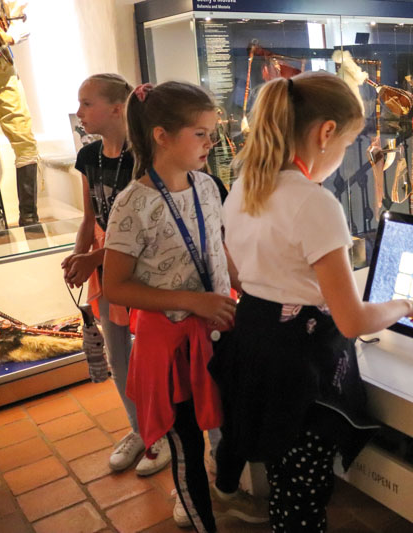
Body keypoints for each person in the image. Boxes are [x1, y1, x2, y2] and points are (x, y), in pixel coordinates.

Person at [213, 71, 413, 531]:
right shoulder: (314, 203)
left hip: (256, 348)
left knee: (283, 472)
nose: (343, 155)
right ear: (326, 132)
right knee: (305, 496)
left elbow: (241, 275)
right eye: (348, 143)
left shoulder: (243, 186)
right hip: (300, 372)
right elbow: (352, 321)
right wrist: (406, 305)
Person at [102, 81, 265, 533]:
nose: (211, 143)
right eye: (201, 134)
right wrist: (191, 300)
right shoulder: (132, 204)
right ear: (162, 136)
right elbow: (115, 286)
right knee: (187, 444)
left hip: (219, 327)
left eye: (212, 133)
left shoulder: (207, 185)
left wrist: (246, 287)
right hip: (172, 348)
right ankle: (200, 517)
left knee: (235, 421)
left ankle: (225, 490)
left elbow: (217, 247)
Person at [62, 74, 171, 477]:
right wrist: (80, 258)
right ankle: (141, 429)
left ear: (116, 108)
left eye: (86, 103)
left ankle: (166, 432)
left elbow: (148, 229)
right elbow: (90, 216)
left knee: (155, 356)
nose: (79, 112)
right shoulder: (89, 157)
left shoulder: (144, 157)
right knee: (118, 355)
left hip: (145, 270)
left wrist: (93, 257)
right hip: (105, 267)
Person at [0, 1, 39, 226]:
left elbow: (21, 20)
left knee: (25, 141)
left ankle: (29, 218)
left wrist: (10, 35)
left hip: (3, 69)